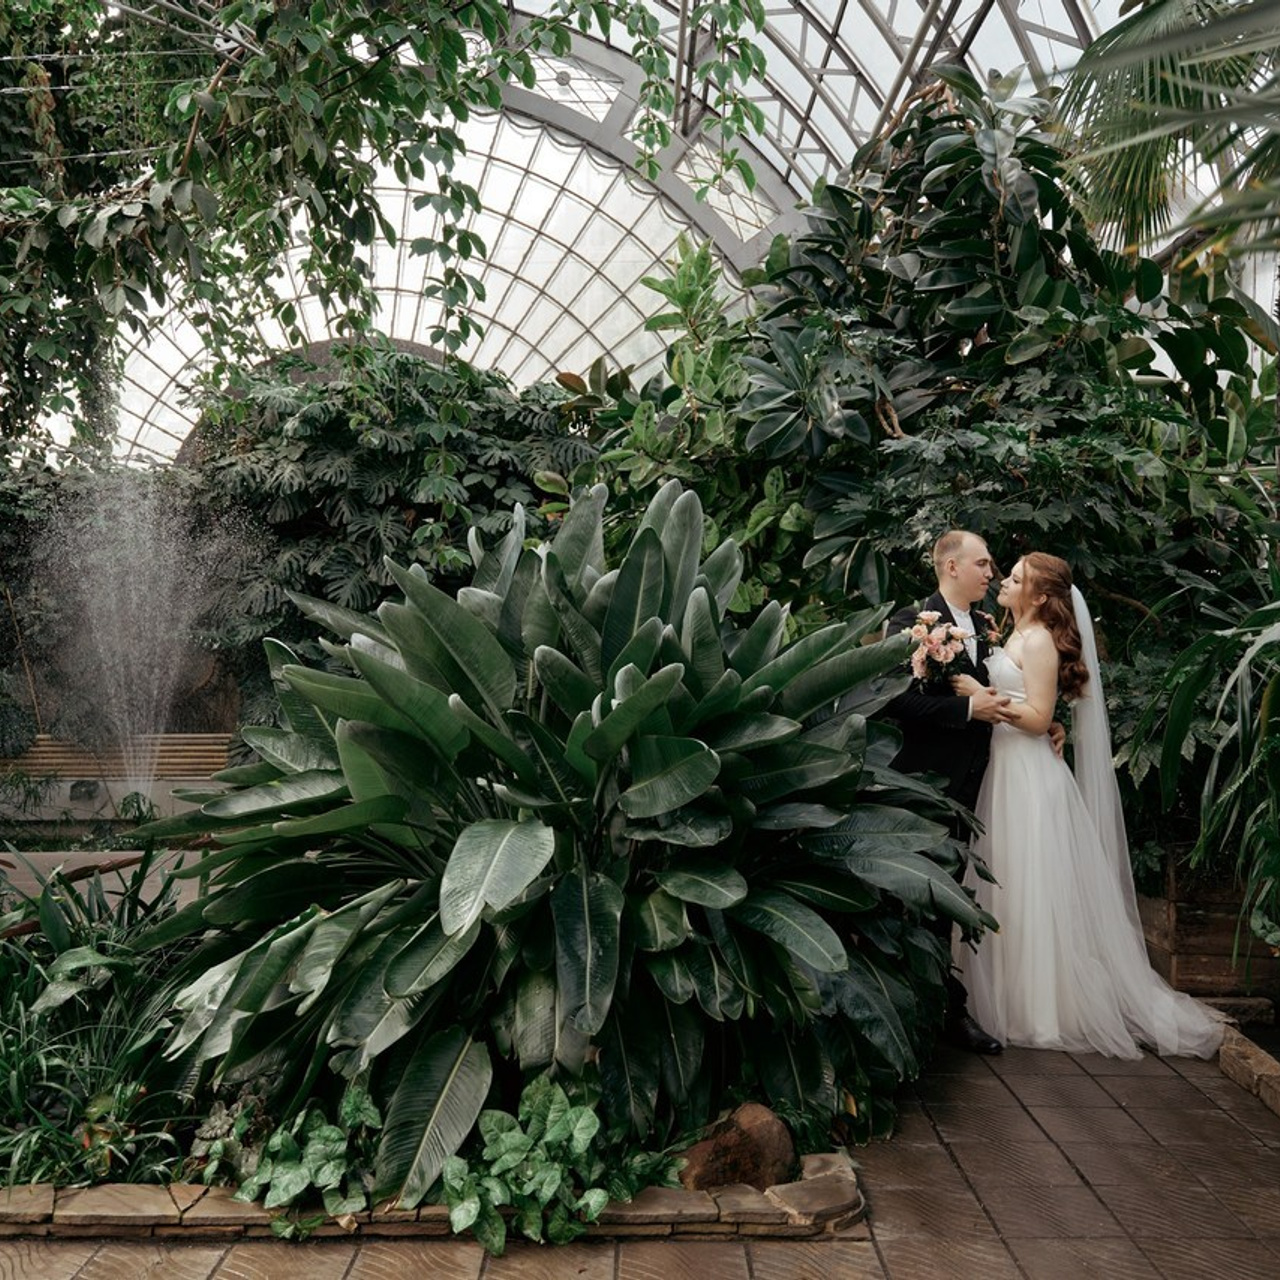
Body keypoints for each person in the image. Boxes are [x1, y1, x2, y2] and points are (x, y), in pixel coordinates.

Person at [950, 553, 1224, 1058]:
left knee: (1032, 888)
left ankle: (1040, 1010)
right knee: (1010, 886)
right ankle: (1009, 1001)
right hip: (1006, 772)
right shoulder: (1013, 633)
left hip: (1030, 777)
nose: (1003, 583)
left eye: (1015, 579)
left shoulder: (1038, 642)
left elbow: (1038, 718)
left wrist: (981, 696)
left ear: (1038, 597)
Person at [885, 530, 1017, 1055]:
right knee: (920, 896)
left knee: (958, 895)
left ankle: (945, 1008)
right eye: (982, 564)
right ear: (951, 567)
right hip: (928, 784)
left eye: (991, 565)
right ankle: (930, 1011)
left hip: (984, 784)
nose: (991, 573)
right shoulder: (910, 625)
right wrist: (965, 711)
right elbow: (895, 704)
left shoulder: (987, 627)